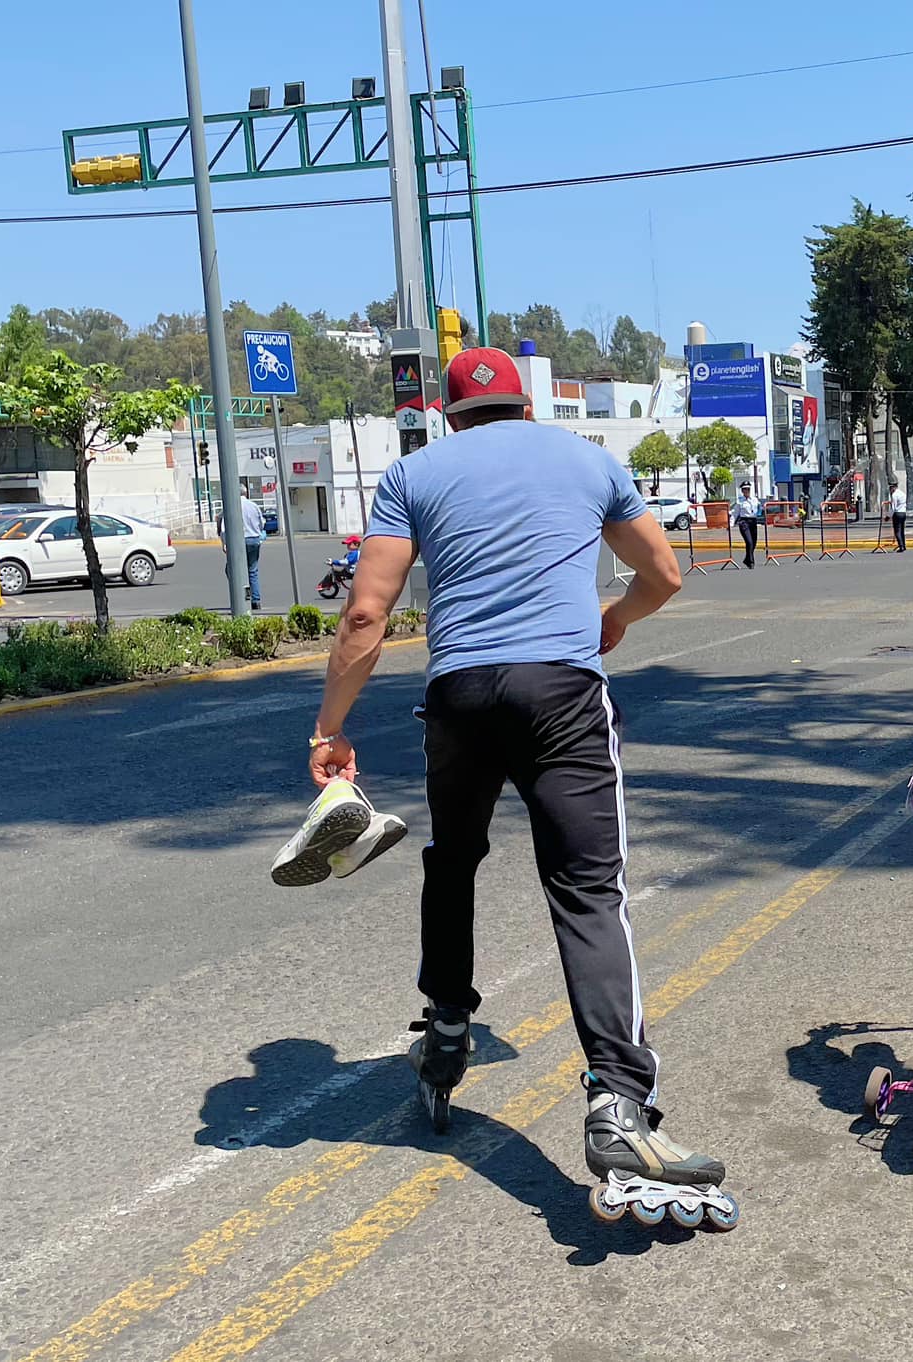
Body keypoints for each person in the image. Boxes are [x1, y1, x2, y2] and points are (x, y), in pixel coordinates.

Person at [305, 346, 728, 1210]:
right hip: (562, 693)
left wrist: (331, 727)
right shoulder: (589, 459)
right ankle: (617, 1096)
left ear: (450, 414)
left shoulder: (413, 473)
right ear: (527, 407)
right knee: (585, 890)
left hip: (458, 696)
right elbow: (666, 574)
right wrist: (613, 620)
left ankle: (449, 1019)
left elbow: (365, 612)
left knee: (453, 859)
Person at [221, 494, 267, 609]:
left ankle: (239, 597)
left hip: (238, 541)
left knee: (232, 570)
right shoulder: (254, 506)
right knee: (252, 570)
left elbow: (224, 528)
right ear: (246, 493)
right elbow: (261, 524)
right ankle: (256, 600)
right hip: (254, 540)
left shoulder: (231, 506)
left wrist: (225, 543)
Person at [733, 482, 763, 568]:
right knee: (749, 542)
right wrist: (730, 524)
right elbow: (735, 513)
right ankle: (750, 562)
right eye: (745, 489)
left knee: (754, 543)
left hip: (753, 521)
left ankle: (747, 559)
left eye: (748, 489)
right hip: (744, 522)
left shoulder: (754, 499)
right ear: (742, 491)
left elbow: (758, 509)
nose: (747, 491)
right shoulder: (739, 501)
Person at [889, 479, 908, 552]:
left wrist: (889, 516)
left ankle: (901, 546)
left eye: (891, 488)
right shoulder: (902, 493)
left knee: (897, 531)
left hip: (897, 514)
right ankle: (904, 545)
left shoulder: (894, 495)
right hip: (903, 513)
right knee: (902, 530)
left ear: (893, 487)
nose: (890, 490)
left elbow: (893, 507)